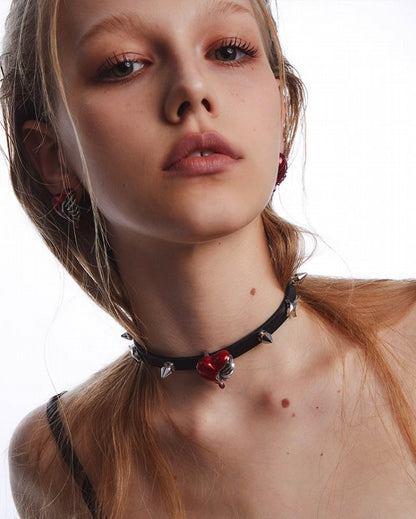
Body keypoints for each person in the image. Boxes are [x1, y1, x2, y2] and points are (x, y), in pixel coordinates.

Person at [2, 0, 416, 517]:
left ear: (283, 106)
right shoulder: (58, 460)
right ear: (51, 157)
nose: (192, 88)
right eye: (124, 65)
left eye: (228, 51)